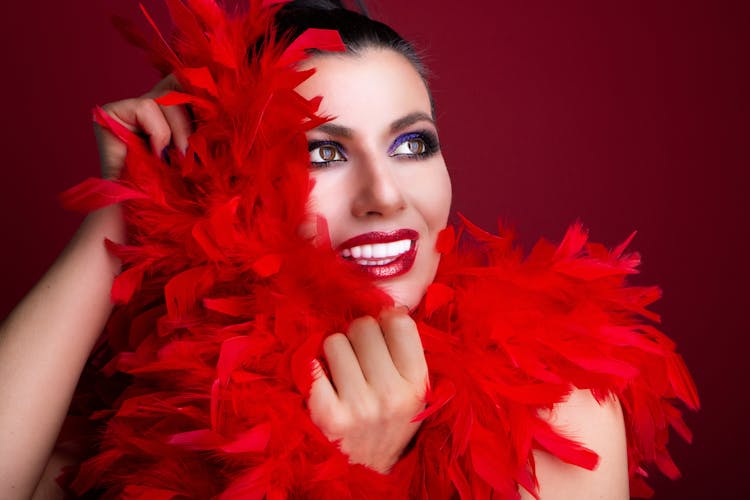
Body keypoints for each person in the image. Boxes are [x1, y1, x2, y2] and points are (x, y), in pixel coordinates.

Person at [0, 1, 696, 498]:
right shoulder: (146, 401)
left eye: (412, 143)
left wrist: (345, 480)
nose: (385, 196)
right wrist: (121, 214)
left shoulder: (553, 411)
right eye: (324, 152)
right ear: (231, 185)